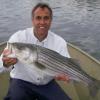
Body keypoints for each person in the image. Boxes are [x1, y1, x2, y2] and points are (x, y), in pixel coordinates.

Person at [0, 3, 71, 100]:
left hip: (47, 84)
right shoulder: (18, 37)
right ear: (32, 20)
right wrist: (5, 63)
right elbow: (2, 64)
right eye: (38, 18)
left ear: (51, 21)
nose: (42, 22)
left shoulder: (60, 42)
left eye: (46, 18)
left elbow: (68, 64)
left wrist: (65, 75)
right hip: (21, 82)